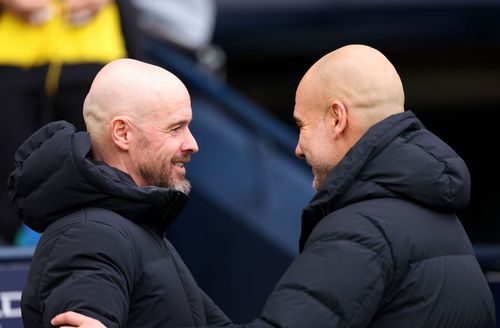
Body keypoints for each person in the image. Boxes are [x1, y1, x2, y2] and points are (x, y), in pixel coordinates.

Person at [53, 44, 496, 327]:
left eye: (301, 126)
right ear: (122, 133)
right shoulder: (435, 216)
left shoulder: (364, 228)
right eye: (176, 128)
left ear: (338, 118)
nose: (298, 148)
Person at [7, 58, 231, 327]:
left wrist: (298, 280)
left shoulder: (133, 228)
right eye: (175, 128)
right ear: (122, 133)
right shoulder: (90, 235)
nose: (192, 144)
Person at [0, 0, 143, 245]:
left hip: (91, 52)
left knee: (103, 168)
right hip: (13, 53)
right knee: (8, 171)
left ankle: (106, 246)